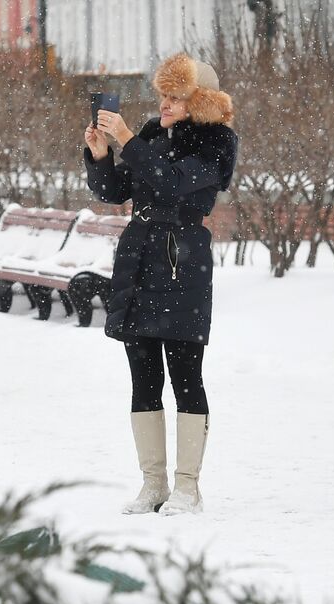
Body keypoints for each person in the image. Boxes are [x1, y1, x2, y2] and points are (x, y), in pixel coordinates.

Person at [84, 53, 237, 517]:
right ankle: (153, 484)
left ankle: (187, 487)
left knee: (186, 376)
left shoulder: (216, 144)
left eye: (175, 97)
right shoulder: (151, 135)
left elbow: (171, 183)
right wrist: (100, 154)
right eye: (163, 95)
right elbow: (115, 191)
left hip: (182, 261)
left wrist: (128, 139)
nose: (164, 103)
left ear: (199, 101)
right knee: (143, 377)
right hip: (140, 258)